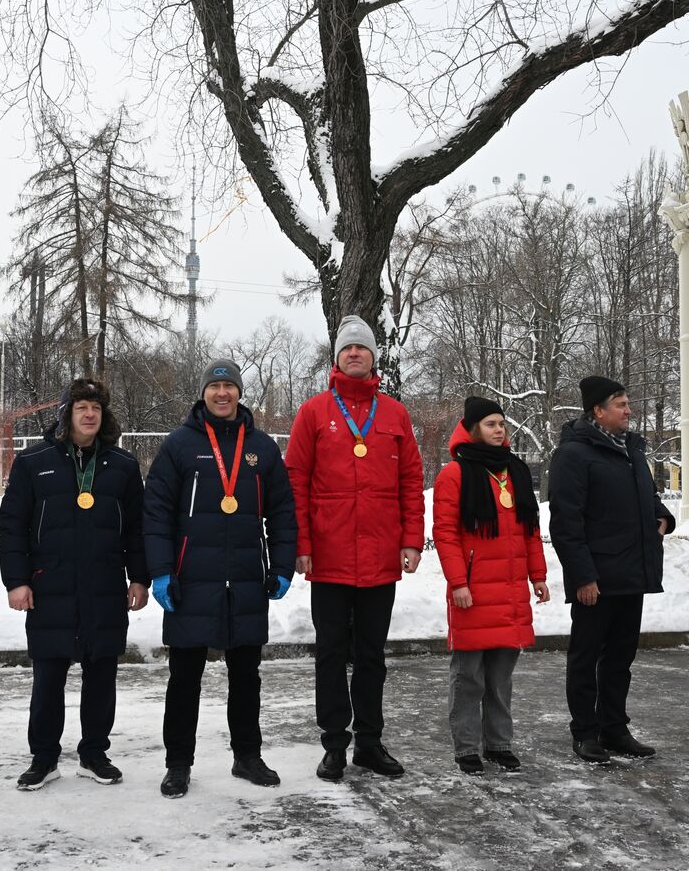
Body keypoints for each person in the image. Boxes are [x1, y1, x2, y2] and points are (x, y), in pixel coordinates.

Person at [144, 360, 297, 798]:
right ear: (204, 393)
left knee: (246, 676)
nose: (223, 393)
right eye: (215, 386)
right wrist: (160, 571)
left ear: (239, 393)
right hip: (191, 580)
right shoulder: (178, 446)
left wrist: (282, 566)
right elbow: (155, 514)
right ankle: (178, 764)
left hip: (247, 579)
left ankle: (247, 756)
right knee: (185, 677)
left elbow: (282, 513)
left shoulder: (262, 449)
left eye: (230, 386)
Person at [284, 316, 425, 781]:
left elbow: (410, 480)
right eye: (348, 349)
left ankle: (369, 741)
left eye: (362, 348)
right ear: (337, 357)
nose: (355, 354)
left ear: (373, 357)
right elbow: (295, 481)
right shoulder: (313, 412)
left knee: (371, 655)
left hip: (381, 556)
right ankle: (333, 745)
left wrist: (410, 539)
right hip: (328, 556)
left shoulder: (394, 414)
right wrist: (301, 544)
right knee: (330, 653)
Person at [0, 378, 149, 791]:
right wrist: (16, 581)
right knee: (48, 677)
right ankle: (44, 757)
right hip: (50, 587)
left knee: (101, 676)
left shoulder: (122, 466)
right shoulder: (34, 462)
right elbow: (12, 525)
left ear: (105, 416)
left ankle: (94, 753)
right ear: (66, 413)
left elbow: (137, 529)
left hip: (104, 587)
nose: (89, 415)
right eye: (81, 407)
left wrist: (139, 577)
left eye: (96, 409)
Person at [548, 375, 674, 765]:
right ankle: (585, 732)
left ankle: (615, 728)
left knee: (620, 659)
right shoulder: (574, 454)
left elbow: (650, 499)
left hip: (631, 574)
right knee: (586, 658)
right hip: (597, 580)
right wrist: (583, 576)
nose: (629, 410)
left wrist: (663, 520)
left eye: (627, 402)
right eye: (620, 404)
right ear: (598, 411)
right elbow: (566, 523)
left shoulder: (632, 451)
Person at [431, 396, 549, 775]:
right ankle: (467, 747)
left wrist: (539, 576)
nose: (499, 430)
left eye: (502, 424)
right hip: (474, 592)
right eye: (490, 424)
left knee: (500, 676)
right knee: (469, 677)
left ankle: (498, 744)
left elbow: (530, 530)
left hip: (511, 588)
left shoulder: (514, 470)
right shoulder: (454, 474)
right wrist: (458, 583)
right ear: (471, 429)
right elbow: (445, 534)